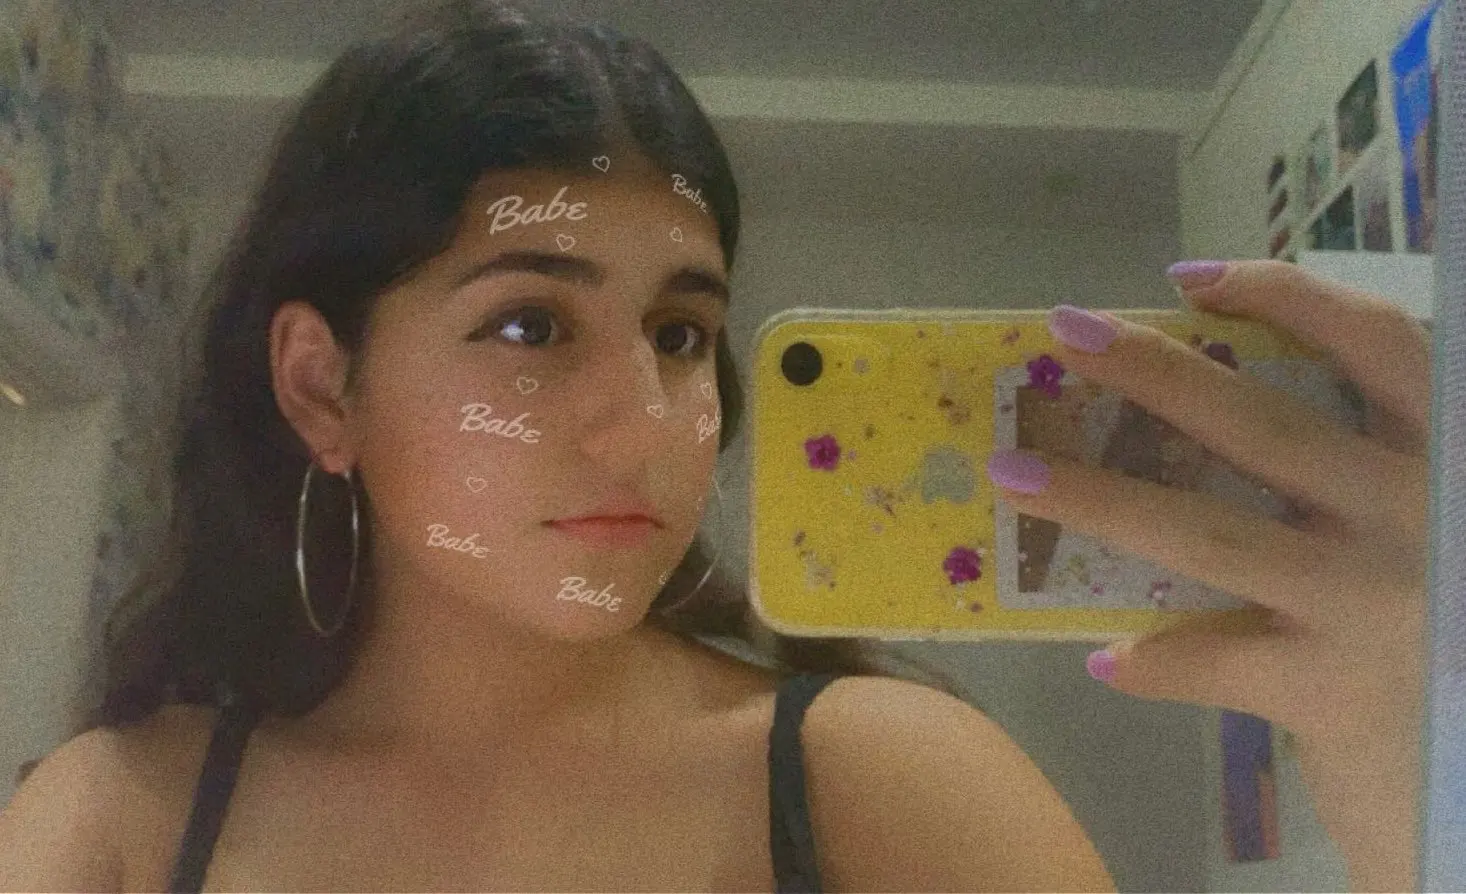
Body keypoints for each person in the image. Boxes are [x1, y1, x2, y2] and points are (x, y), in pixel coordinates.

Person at [0, 1, 1429, 891]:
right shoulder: (125, 819)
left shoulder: (876, 782)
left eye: (681, 332)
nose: (652, 417)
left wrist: (1407, 763)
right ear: (323, 389)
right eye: (528, 325)